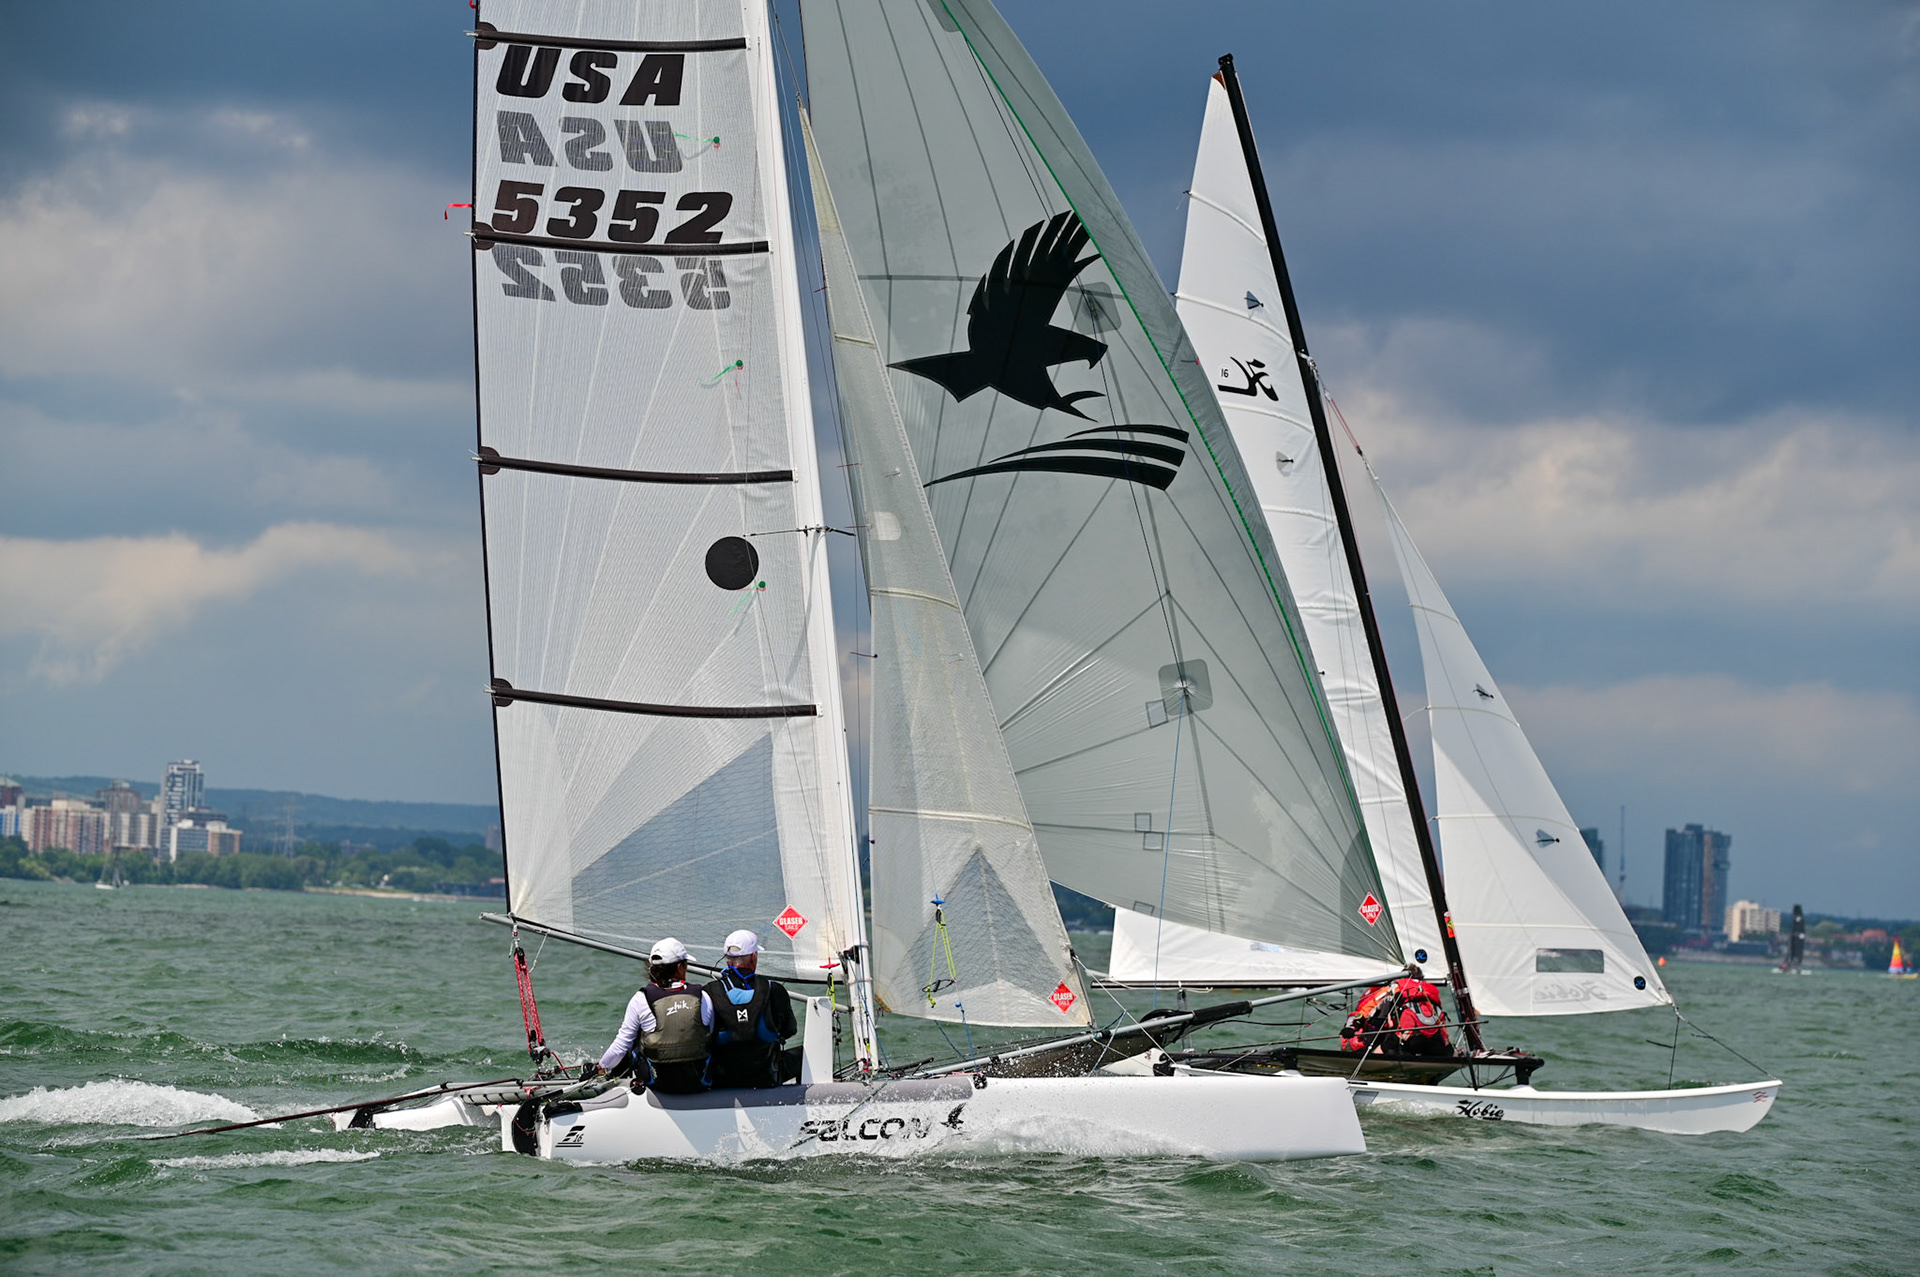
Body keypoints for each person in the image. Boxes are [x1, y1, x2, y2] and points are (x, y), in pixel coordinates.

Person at [592, 937, 713, 1093]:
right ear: (680, 968)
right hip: (698, 1082)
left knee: (635, 1039)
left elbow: (621, 1045)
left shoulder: (641, 999)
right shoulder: (702, 996)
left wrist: (600, 1067)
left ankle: (610, 1080)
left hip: (658, 1085)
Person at [703, 929, 801, 1088]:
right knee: (803, 1055)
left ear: (727, 959)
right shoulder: (774, 989)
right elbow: (789, 1030)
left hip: (723, 1082)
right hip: (766, 1078)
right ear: (754, 956)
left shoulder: (708, 992)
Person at [1339, 965, 1453, 1058]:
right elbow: (1440, 1018)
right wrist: (1448, 1048)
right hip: (1434, 1041)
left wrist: (1352, 1026)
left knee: (1384, 1047)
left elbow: (1370, 1005)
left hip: (1404, 1039)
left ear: (1402, 976)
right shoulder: (1430, 990)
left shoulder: (1397, 986)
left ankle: (1369, 1062)